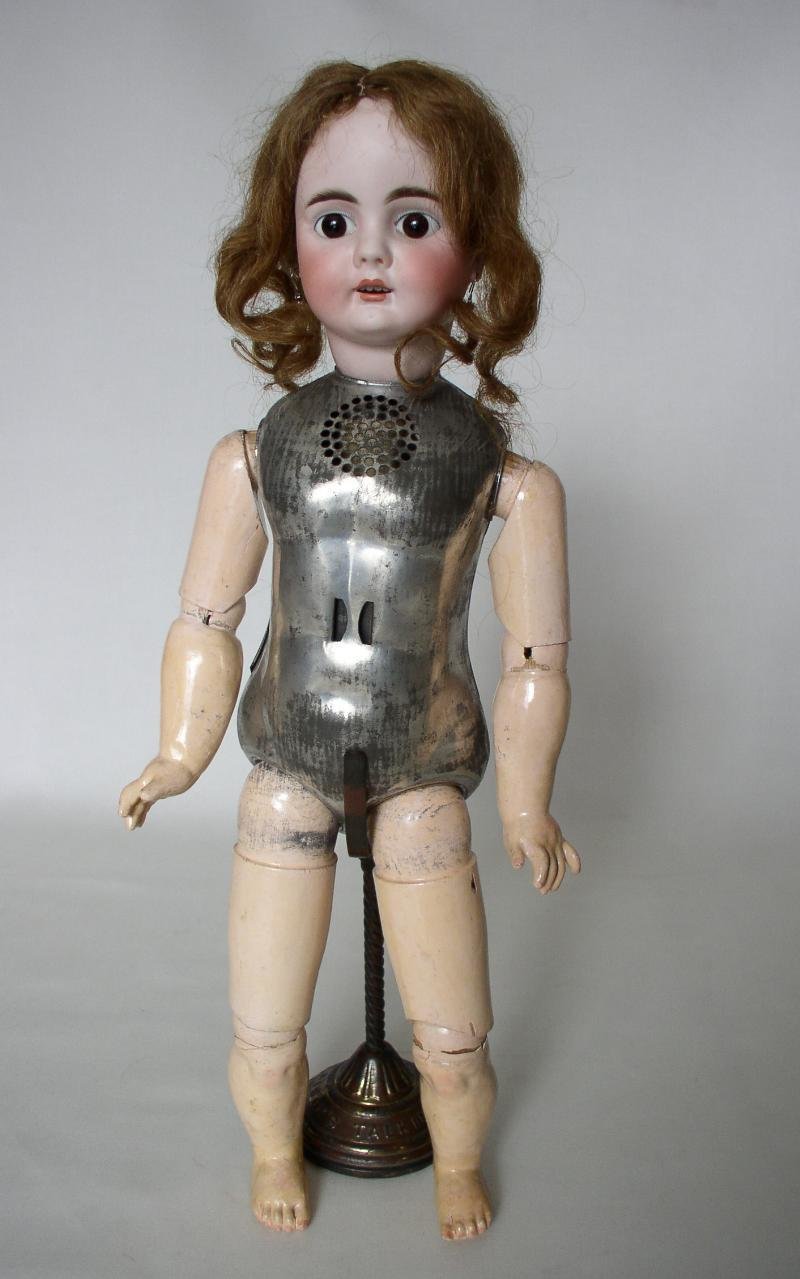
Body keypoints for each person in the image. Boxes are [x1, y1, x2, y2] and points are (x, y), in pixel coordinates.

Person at [119, 59, 580, 1243]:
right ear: (285, 244)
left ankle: (455, 1160)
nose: (370, 250)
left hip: (424, 769)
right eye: (333, 221)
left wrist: (523, 801)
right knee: (264, 1014)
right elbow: (207, 618)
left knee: (452, 1027)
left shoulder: (502, 473)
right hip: (286, 759)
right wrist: (180, 750)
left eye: (413, 220)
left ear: (474, 251)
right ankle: (276, 1145)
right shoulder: (255, 451)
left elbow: (534, 654)